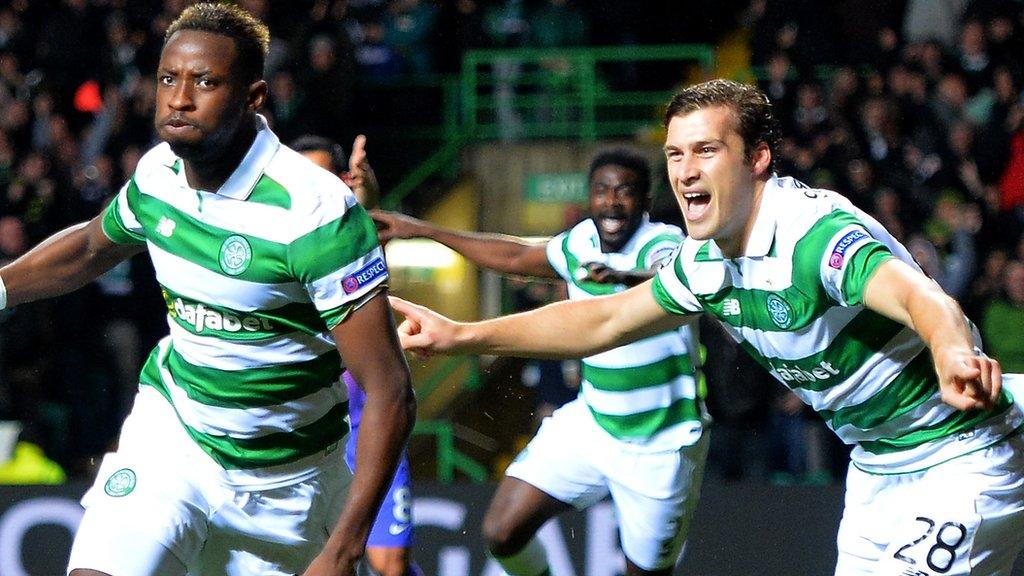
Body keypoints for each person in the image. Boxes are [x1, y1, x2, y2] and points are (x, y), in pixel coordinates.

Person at [391, 79, 1024, 576]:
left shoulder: (811, 235)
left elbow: (919, 294)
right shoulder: (703, 262)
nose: (685, 169)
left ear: (757, 159)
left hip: (964, 450)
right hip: (877, 466)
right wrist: (462, 335)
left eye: (705, 150)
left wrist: (950, 353)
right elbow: (605, 318)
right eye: (674, 153)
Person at [0, 4, 415, 576]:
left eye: (206, 81)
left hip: (289, 488)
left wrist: (343, 550)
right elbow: (93, 246)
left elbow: (390, 390)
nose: (179, 97)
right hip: (175, 440)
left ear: (254, 96)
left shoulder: (314, 213)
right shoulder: (158, 174)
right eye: (169, 78)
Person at [373, 148, 708, 576]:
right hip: (593, 423)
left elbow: (669, 276)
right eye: (602, 190)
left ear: (644, 201)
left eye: (625, 191)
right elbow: (514, 257)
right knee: (501, 532)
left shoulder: (666, 243)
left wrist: (623, 278)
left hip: (661, 443)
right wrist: (422, 230)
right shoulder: (580, 242)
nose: (612, 201)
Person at [293, 134, 422, 576]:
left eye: (324, 175)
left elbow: (362, 239)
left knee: (390, 562)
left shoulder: (346, 244)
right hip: (307, 442)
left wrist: (366, 199)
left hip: (369, 432)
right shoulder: (274, 248)